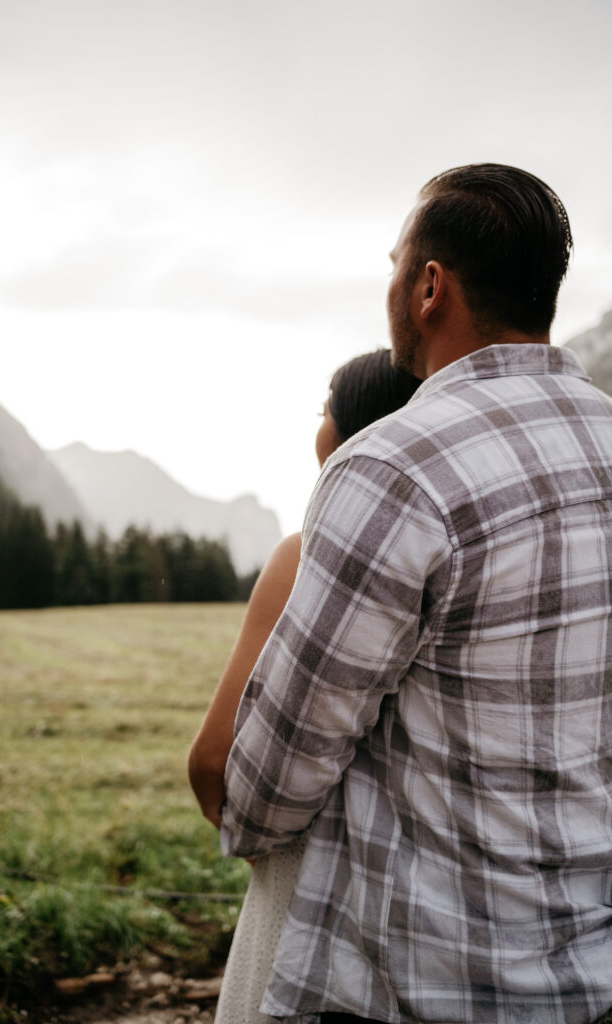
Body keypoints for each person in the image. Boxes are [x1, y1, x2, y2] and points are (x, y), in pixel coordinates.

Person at [220, 164, 612, 1024]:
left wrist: (248, 825)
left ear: (430, 286)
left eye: (396, 263)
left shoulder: (395, 467)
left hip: (422, 986)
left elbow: (268, 785)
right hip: (592, 971)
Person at [188, 349, 421, 1024]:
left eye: (325, 407)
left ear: (349, 428)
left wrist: (254, 834)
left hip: (305, 888)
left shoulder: (305, 551)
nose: (317, 422)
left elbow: (212, 760)